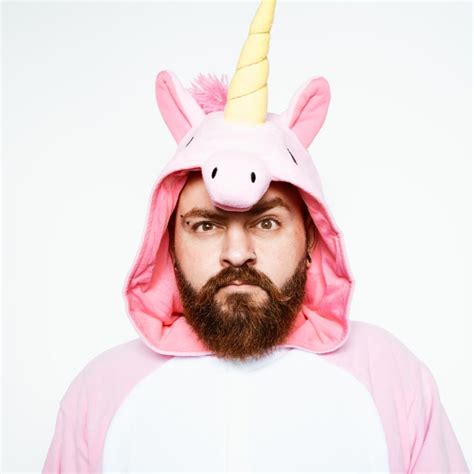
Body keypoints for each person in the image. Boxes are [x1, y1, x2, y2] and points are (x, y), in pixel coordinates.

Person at [42, 0, 469, 472]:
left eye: (266, 223)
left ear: (312, 238)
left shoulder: (390, 379)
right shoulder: (100, 394)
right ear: (169, 245)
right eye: (205, 225)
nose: (237, 253)